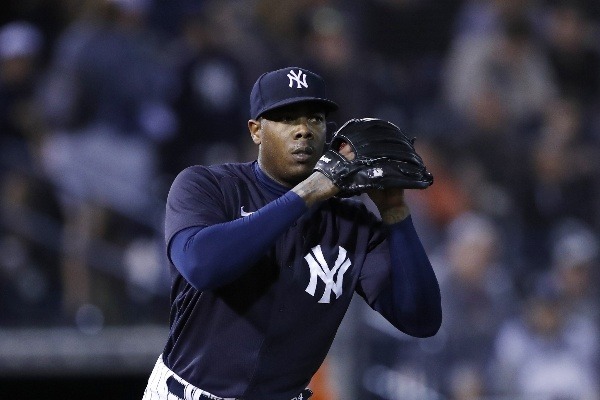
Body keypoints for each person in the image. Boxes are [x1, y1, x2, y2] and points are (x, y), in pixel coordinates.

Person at [142, 66, 442, 400]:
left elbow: (421, 319)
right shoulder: (208, 186)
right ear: (256, 131)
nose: (303, 130)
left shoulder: (352, 223)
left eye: (314, 118)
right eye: (286, 118)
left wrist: (395, 213)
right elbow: (202, 266)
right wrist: (307, 193)